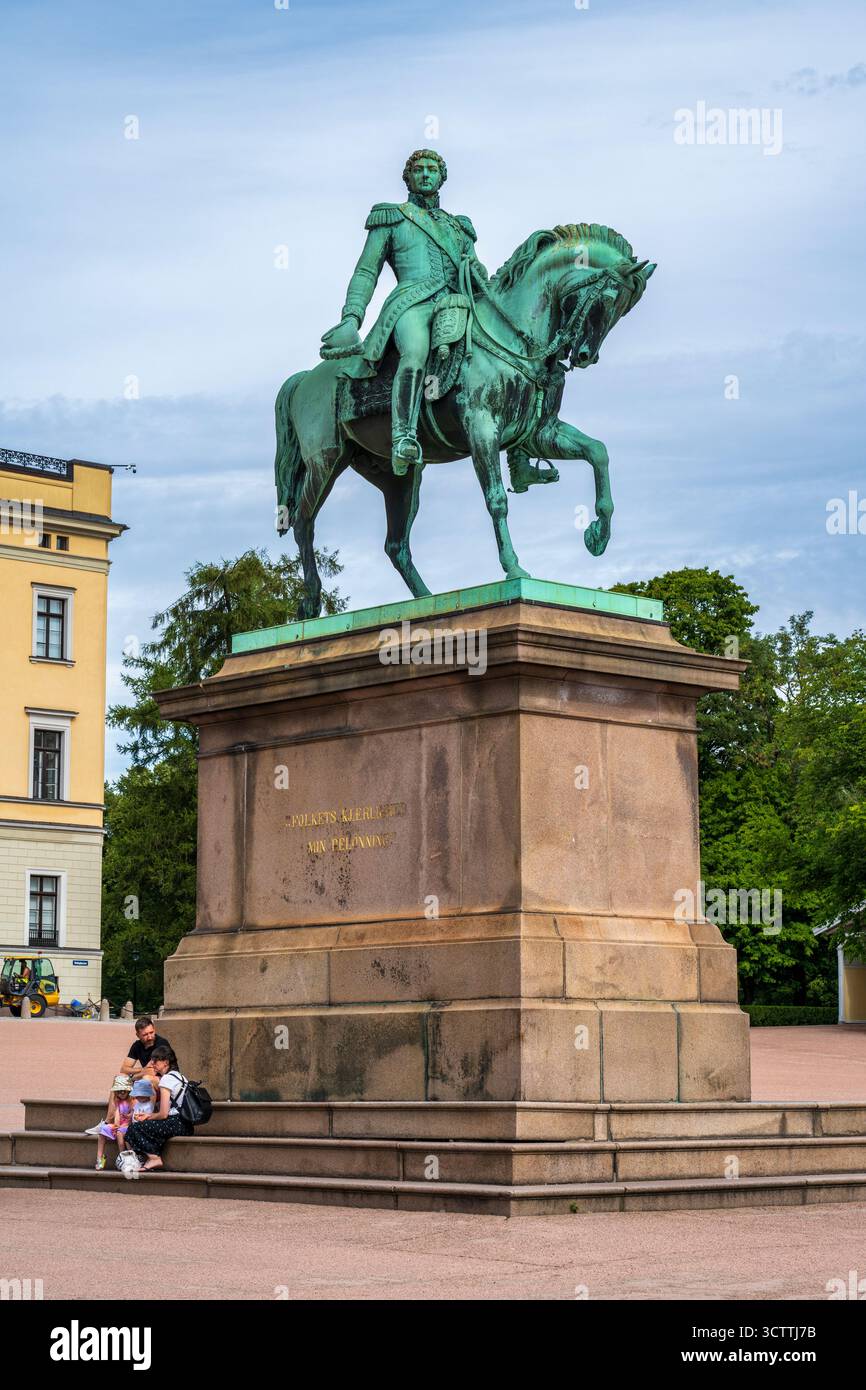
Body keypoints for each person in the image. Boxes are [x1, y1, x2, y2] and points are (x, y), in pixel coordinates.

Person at [320, 148, 486, 476]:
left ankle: (519, 450)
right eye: (419, 169)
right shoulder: (392, 217)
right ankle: (403, 436)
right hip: (412, 303)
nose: (425, 174)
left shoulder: (460, 228)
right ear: (408, 177)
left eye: (432, 169)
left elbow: (478, 274)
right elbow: (367, 272)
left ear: (442, 177)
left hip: (457, 303)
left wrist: (478, 273)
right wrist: (351, 317)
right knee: (415, 352)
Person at [84, 1016, 174, 1136]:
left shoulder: (161, 1044)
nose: (150, 1037)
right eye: (145, 1035)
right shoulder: (137, 1046)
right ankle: (108, 1122)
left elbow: (152, 1072)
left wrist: (135, 1076)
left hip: (165, 1081)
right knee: (119, 1079)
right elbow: (124, 1069)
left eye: (151, 1032)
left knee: (145, 1079)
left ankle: (145, 1120)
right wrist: (141, 1071)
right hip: (145, 1079)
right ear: (138, 1035)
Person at [123, 1045, 192, 1175]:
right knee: (146, 1126)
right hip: (185, 1124)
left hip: (175, 1123)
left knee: (134, 1128)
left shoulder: (166, 1079)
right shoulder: (181, 1077)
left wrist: (147, 1116)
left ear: (166, 1062)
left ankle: (154, 1158)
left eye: (155, 1061)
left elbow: (163, 1113)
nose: (152, 1064)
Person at [94, 1075, 133, 1170]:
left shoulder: (132, 1100)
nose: (122, 1093)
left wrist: (122, 1126)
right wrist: (116, 1125)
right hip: (120, 1125)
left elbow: (132, 1117)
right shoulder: (117, 1102)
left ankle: (123, 1158)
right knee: (103, 1129)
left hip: (128, 1126)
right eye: (119, 1091)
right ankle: (99, 1158)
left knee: (120, 1134)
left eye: (124, 1090)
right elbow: (117, 1115)